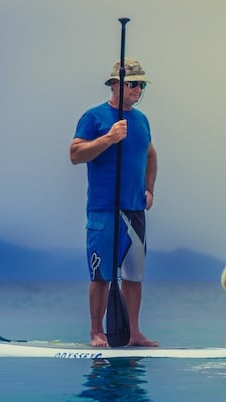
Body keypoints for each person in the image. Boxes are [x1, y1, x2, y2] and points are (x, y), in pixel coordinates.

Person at [70, 58, 159, 347]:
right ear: (115, 84)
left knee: (134, 276)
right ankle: (97, 332)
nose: (138, 90)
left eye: (142, 85)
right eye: (134, 84)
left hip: (134, 210)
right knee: (101, 274)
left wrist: (149, 189)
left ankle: (133, 332)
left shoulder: (142, 120)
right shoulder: (93, 117)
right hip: (103, 208)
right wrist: (108, 138)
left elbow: (150, 155)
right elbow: (76, 154)